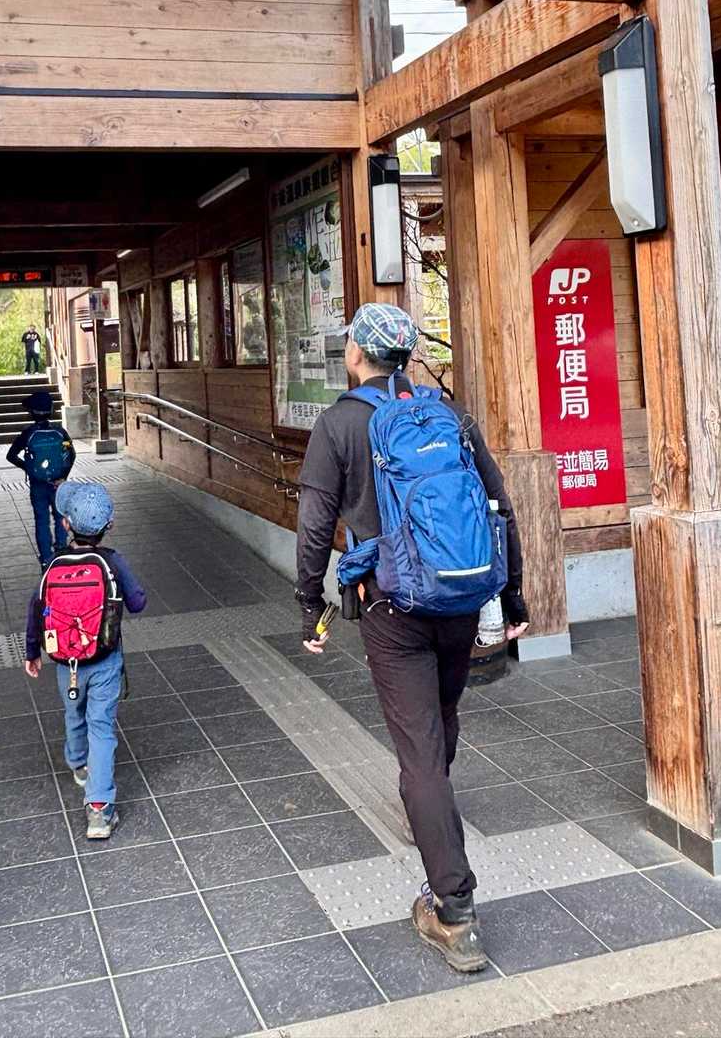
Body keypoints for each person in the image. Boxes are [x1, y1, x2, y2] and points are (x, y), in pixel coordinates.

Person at [295, 303, 529, 974]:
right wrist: (513, 594)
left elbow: (315, 525)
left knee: (418, 754)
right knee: (441, 715)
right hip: (459, 598)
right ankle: (430, 810)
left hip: (391, 606)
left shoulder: (339, 424)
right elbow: (498, 506)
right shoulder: (447, 414)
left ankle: (453, 909)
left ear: (356, 354)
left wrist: (310, 603)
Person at [24, 481, 146, 839]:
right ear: (110, 524)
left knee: (74, 712)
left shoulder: (53, 565)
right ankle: (99, 811)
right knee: (101, 727)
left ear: (66, 524)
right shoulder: (112, 561)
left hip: (66, 662)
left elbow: (35, 609)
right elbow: (138, 602)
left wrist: (32, 652)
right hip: (105, 659)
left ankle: (79, 764)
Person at [6, 389, 75, 567]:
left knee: (41, 520)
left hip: (38, 485)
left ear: (31, 412)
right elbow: (71, 453)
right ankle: (61, 549)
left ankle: (46, 557)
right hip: (58, 483)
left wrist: (29, 468)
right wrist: (63, 476)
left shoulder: (27, 433)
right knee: (60, 516)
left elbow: (11, 456)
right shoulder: (60, 432)